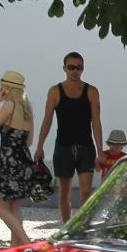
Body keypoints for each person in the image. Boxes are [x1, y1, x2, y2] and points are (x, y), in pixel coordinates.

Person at [35, 52, 105, 223]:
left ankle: (81, 227)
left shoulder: (91, 91)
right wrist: (40, 146)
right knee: (64, 193)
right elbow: (47, 120)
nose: (75, 71)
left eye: (79, 67)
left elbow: (96, 122)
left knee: (86, 191)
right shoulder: (55, 91)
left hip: (85, 147)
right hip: (63, 147)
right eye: (71, 67)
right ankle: (67, 228)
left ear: (83, 69)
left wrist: (100, 150)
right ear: (64, 68)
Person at [0, 70, 36, 247]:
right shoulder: (28, 109)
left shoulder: (9, 105)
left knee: (0, 206)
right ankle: (17, 249)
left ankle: (26, 243)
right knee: (15, 206)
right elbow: (29, 141)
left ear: (8, 88)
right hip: (24, 160)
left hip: (9, 161)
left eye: (2, 86)